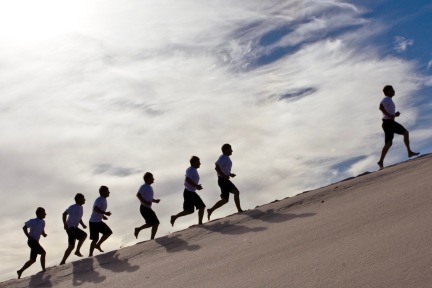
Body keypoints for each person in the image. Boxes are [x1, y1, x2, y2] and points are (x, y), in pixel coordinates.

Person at [377, 85, 419, 169]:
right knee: (405, 133)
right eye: (392, 90)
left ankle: (381, 161)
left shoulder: (389, 100)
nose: (394, 91)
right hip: (388, 123)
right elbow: (380, 107)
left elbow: (388, 114)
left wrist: (394, 115)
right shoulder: (386, 99)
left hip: (388, 122)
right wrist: (390, 115)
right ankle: (409, 152)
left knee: (389, 143)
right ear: (389, 91)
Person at [207, 144, 243, 220]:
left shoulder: (226, 158)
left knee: (225, 200)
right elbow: (216, 167)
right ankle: (239, 210)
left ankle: (210, 210)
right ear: (226, 150)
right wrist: (224, 176)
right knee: (236, 192)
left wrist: (229, 174)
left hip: (223, 180)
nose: (232, 150)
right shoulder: (223, 157)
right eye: (230, 149)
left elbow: (223, 168)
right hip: (222, 180)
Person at [171, 156, 206, 226]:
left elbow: (189, 179)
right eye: (198, 162)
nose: (200, 163)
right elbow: (187, 179)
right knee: (201, 206)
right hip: (189, 192)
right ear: (193, 162)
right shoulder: (191, 170)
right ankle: (200, 223)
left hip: (190, 192)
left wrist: (196, 186)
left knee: (190, 210)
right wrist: (196, 186)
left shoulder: (192, 169)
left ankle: (175, 217)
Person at [17, 207, 47, 279]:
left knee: (32, 260)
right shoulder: (33, 221)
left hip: (35, 242)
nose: (45, 214)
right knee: (43, 253)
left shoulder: (43, 222)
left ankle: (20, 271)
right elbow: (24, 227)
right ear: (39, 213)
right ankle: (44, 269)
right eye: (44, 212)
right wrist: (28, 236)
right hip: (31, 241)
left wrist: (44, 234)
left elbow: (42, 230)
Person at [60, 193, 87, 265]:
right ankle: (77, 251)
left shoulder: (81, 208)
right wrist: (65, 223)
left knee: (71, 246)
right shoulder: (73, 207)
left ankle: (62, 262)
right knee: (84, 235)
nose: (84, 200)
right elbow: (64, 214)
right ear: (78, 199)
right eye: (83, 198)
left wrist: (83, 224)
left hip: (74, 227)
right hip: (70, 227)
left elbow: (79, 218)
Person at [134, 172, 161, 240]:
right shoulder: (144, 186)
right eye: (152, 177)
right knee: (156, 223)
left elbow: (149, 198)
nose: (153, 179)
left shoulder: (149, 187)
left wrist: (155, 201)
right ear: (148, 179)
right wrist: (144, 202)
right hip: (144, 208)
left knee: (152, 223)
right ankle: (152, 238)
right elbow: (138, 195)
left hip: (146, 208)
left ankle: (138, 229)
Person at [89, 186, 112, 257]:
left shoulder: (104, 199)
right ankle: (90, 255)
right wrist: (104, 213)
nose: (109, 192)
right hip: (93, 222)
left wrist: (103, 216)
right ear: (102, 192)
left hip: (98, 221)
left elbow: (97, 210)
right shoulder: (99, 200)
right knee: (95, 239)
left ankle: (98, 245)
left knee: (108, 232)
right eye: (107, 191)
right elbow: (95, 208)